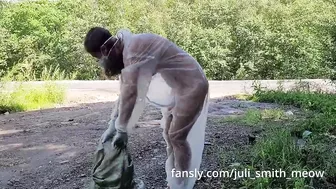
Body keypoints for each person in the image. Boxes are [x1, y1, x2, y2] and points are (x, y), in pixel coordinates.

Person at [84, 27, 209, 189]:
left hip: (192, 84)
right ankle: (175, 180)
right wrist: (112, 125)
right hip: (178, 87)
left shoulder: (133, 51)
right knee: (169, 134)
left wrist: (122, 130)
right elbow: (124, 93)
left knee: (177, 137)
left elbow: (132, 94)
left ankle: (183, 184)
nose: (100, 63)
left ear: (105, 49)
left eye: (98, 58)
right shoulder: (128, 50)